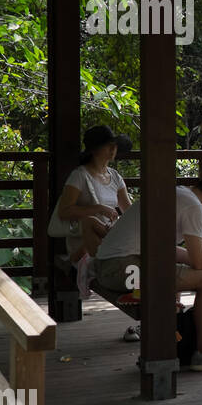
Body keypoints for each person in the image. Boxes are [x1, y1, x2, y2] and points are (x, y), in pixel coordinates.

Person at [95, 175, 202, 372]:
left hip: (108, 267)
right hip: (122, 269)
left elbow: (169, 251)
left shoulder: (177, 194)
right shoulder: (194, 207)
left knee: (174, 268)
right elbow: (200, 261)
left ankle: (178, 342)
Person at [55, 126, 137, 339]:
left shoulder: (115, 177)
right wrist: (98, 209)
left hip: (108, 236)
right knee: (94, 224)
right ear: (93, 149)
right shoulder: (79, 175)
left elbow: (129, 210)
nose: (112, 150)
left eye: (114, 146)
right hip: (85, 238)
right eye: (107, 146)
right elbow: (65, 211)